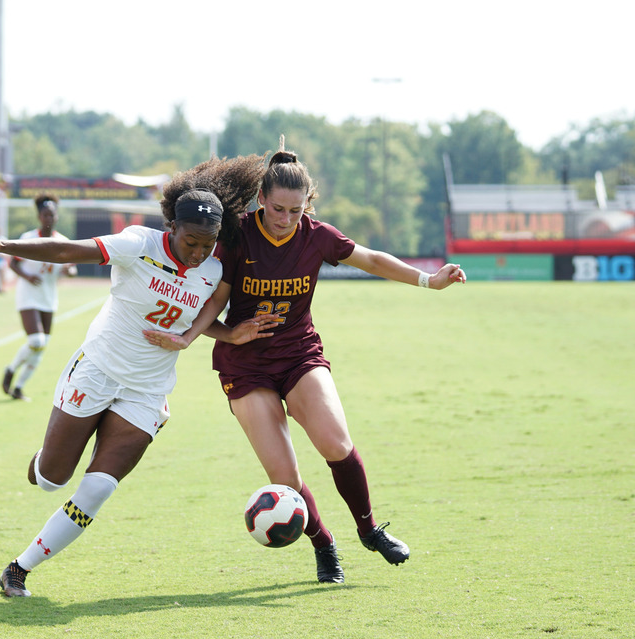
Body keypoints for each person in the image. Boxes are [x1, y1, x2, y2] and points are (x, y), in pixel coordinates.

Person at [145, 137, 467, 584]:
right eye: (278, 209)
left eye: (296, 211)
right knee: (284, 475)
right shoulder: (236, 236)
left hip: (299, 355)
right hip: (244, 364)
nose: (285, 220)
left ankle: (370, 530)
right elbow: (213, 300)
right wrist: (188, 337)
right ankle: (324, 544)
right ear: (261, 199)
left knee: (336, 443)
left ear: (307, 207)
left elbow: (370, 259)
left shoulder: (318, 238)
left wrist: (429, 281)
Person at [0, 155, 276, 598]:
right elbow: (71, 250)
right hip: (98, 371)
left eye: (208, 243)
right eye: (191, 242)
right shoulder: (138, 243)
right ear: (172, 228)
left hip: (147, 392)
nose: (199, 252)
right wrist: (5, 245)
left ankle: (19, 569)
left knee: (99, 488)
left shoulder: (215, 271)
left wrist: (231, 334)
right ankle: (47, 455)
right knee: (51, 477)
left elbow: (198, 318)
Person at [0, 193, 77, 401]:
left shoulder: (62, 242)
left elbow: (70, 268)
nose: (49, 218)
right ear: (39, 217)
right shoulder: (28, 239)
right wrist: (27, 276)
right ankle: (11, 369)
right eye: (45, 214)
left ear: (57, 217)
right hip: (28, 296)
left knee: (42, 347)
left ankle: (19, 387)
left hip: (49, 298)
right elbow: (13, 263)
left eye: (52, 214)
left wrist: (69, 271)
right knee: (36, 340)